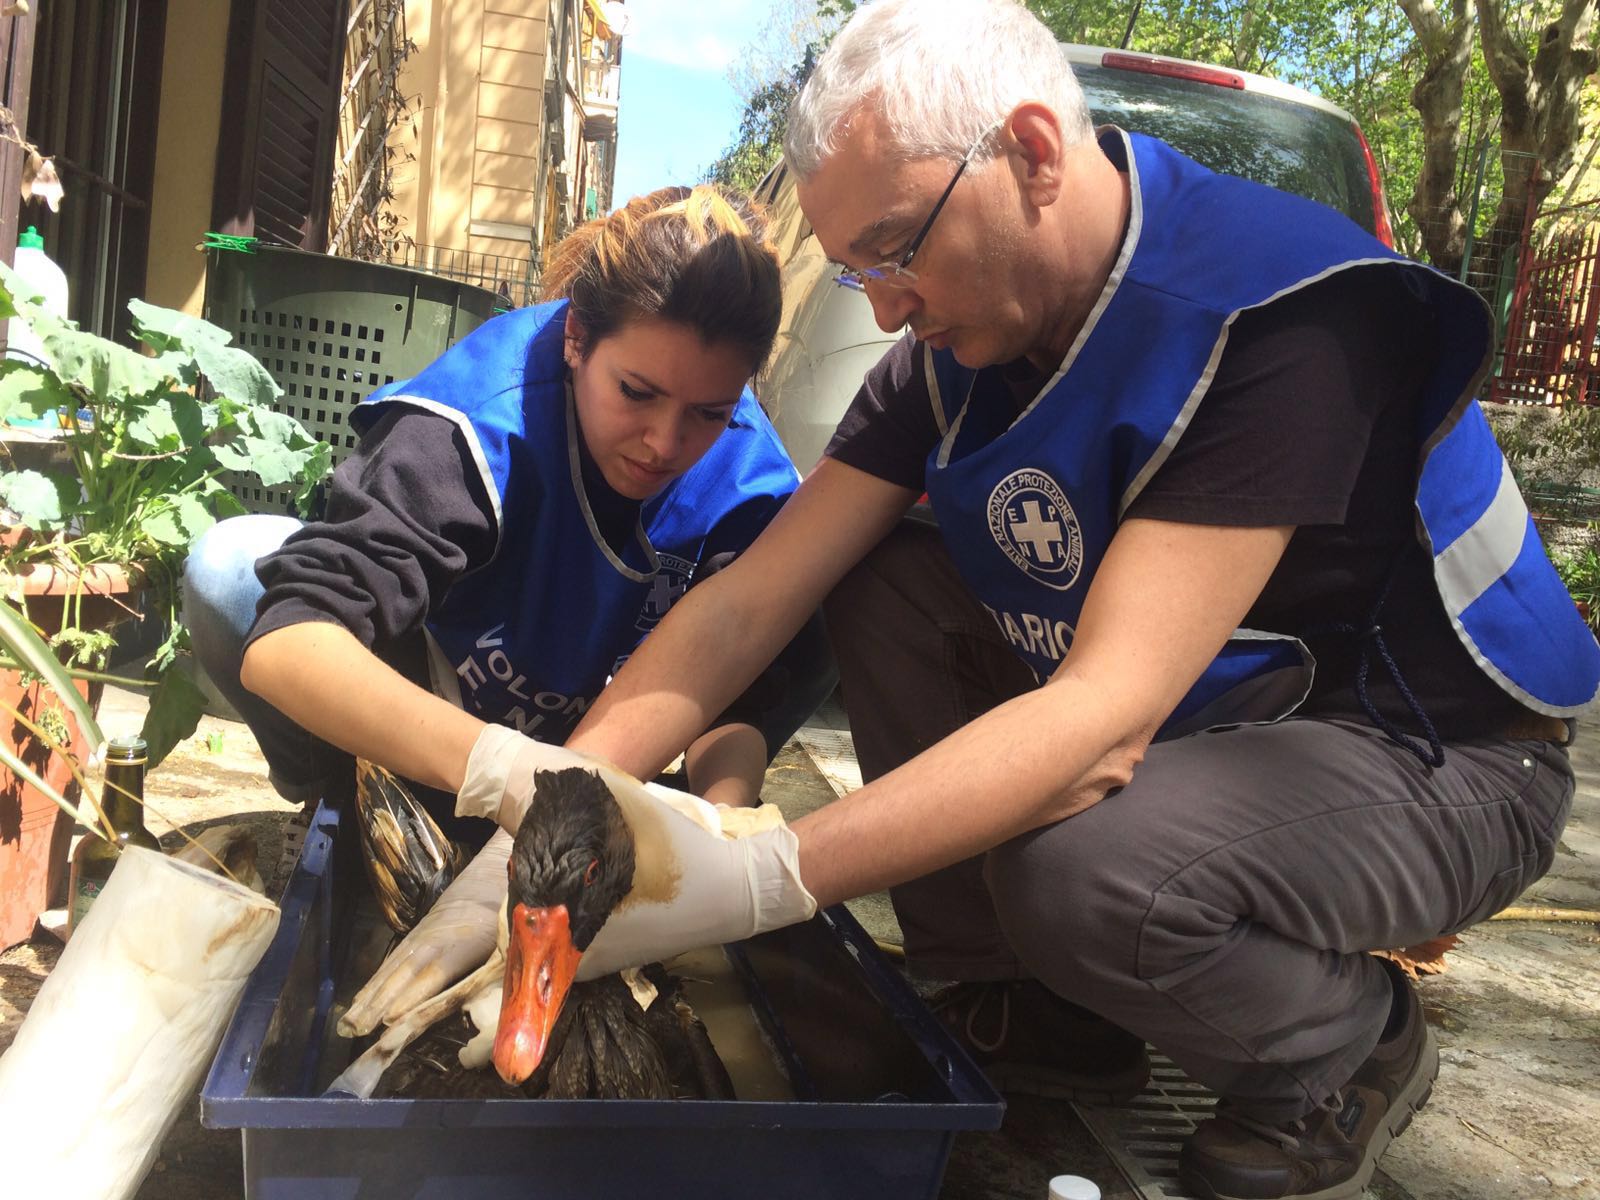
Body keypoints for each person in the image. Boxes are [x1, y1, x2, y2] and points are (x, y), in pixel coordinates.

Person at [449, 4, 1592, 1199]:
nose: (883, 307)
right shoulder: (951, 356)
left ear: (1036, 154)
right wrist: (549, 805)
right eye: (855, 270)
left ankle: (1341, 1042)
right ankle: (1037, 1004)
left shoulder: (1278, 316)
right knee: (883, 572)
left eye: (897, 249)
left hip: (1441, 763)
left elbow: (1099, 722)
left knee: (1085, 872)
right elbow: (750, 603)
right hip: (1234, 729)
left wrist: (757, 876)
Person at [184, 184, 835, 838]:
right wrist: (506, 774)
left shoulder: (751, 478)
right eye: (636, 393)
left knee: (826, 608)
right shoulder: (476, 421)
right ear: (576, 338)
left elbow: (744, 692)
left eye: (709, 412)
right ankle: (342, 808)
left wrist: (716, 822)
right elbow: (289, 640)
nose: (665, 443)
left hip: (614, 758)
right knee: (231, 570)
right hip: (441, 715)